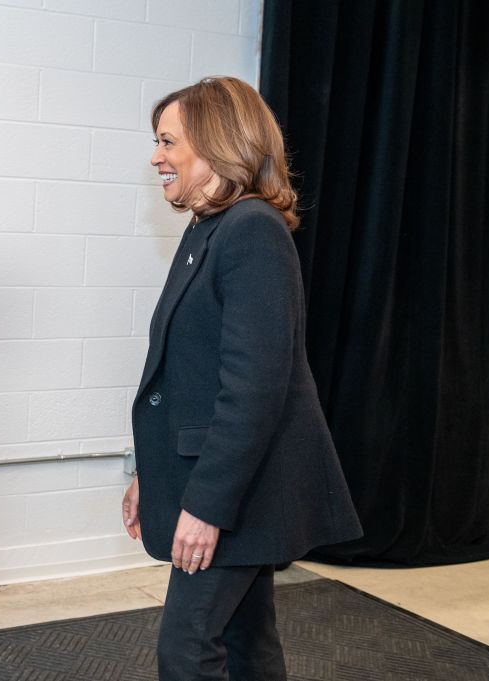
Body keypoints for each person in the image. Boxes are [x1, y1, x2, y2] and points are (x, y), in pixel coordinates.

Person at [121, 76, 363, 680]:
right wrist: (148, 475)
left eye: (168, 141)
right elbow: (186, 377)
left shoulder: (251, 230)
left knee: (187, 650)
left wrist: (206, 508)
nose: (156, 157)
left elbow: (254, 389)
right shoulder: (210, 227)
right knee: (249, 644)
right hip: (234, 486)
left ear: (217, 145)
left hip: (236, 494)